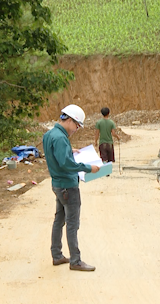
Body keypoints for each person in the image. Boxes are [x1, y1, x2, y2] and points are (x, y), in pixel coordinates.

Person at [43, 104, 100, 272]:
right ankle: (75, 260)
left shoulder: (50, 135)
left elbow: (57, 155)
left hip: (58, 185)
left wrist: (69, 150)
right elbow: (66, 164)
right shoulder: (61, 138)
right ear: (68, 119)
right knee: (72, 223)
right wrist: (89, 168)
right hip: (68, 186)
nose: (76, 129)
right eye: (77, 125)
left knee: (59, 220)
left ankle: (57, 255)